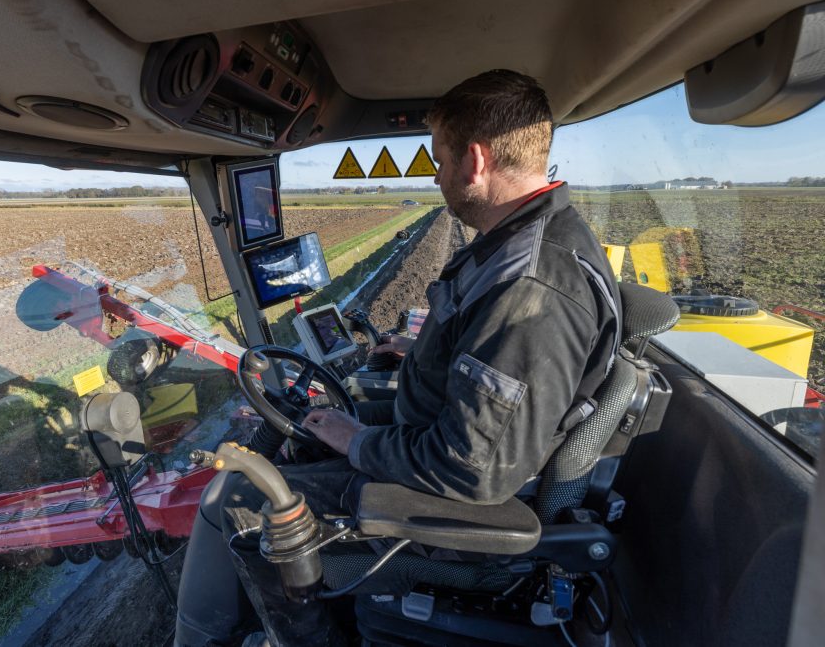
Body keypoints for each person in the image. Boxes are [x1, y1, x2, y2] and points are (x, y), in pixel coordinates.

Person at [174, 69, 621, 647]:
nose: (436, 177)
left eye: (439, 160)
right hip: (458, 449)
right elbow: (500, 363)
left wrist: (352, 439)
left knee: (235, 499)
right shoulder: (528, 242)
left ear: (476, 162)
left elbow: (472, 468)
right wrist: (426, 354)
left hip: (456, 513)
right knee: (314, 437)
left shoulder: (530, 287)